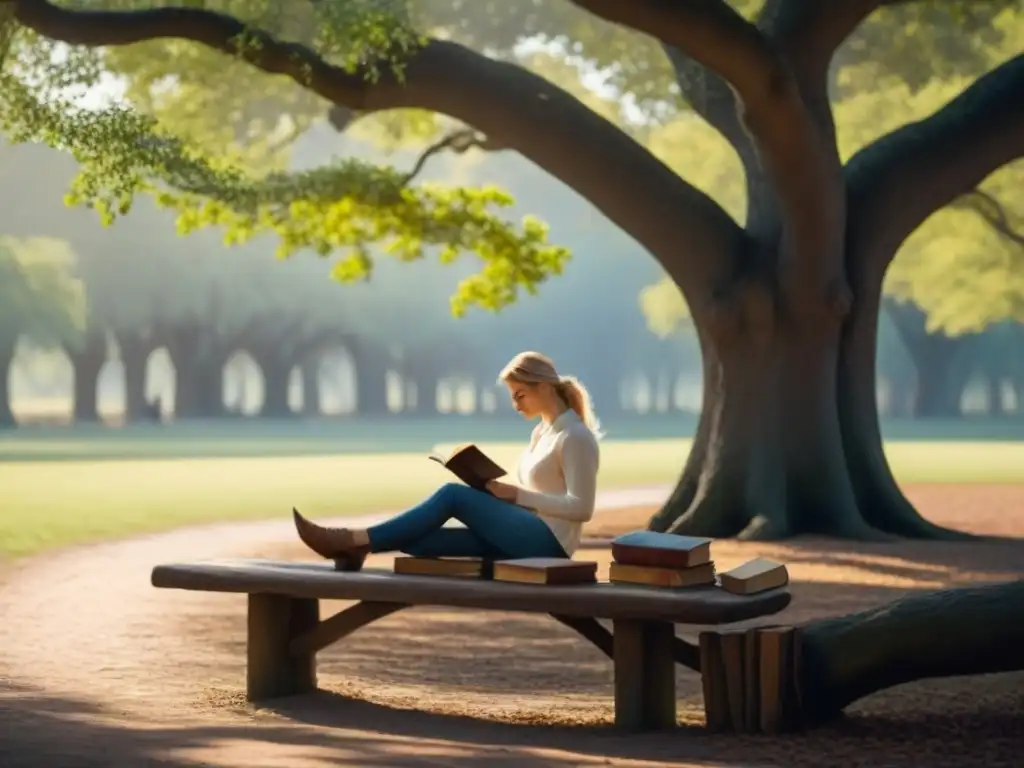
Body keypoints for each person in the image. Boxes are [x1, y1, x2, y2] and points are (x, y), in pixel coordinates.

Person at [292, 351, 602, 571]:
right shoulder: (540, 433)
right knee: (416, 542)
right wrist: (492, 491)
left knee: (452, 495)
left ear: (545, 387)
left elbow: (582, 508)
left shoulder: (575, 437)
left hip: (550, 544)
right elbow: (535, 495)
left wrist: (516, 494)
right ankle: (354, 552)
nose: (514, 403)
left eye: (520, 394)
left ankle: (352, 540)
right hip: (522, 530)